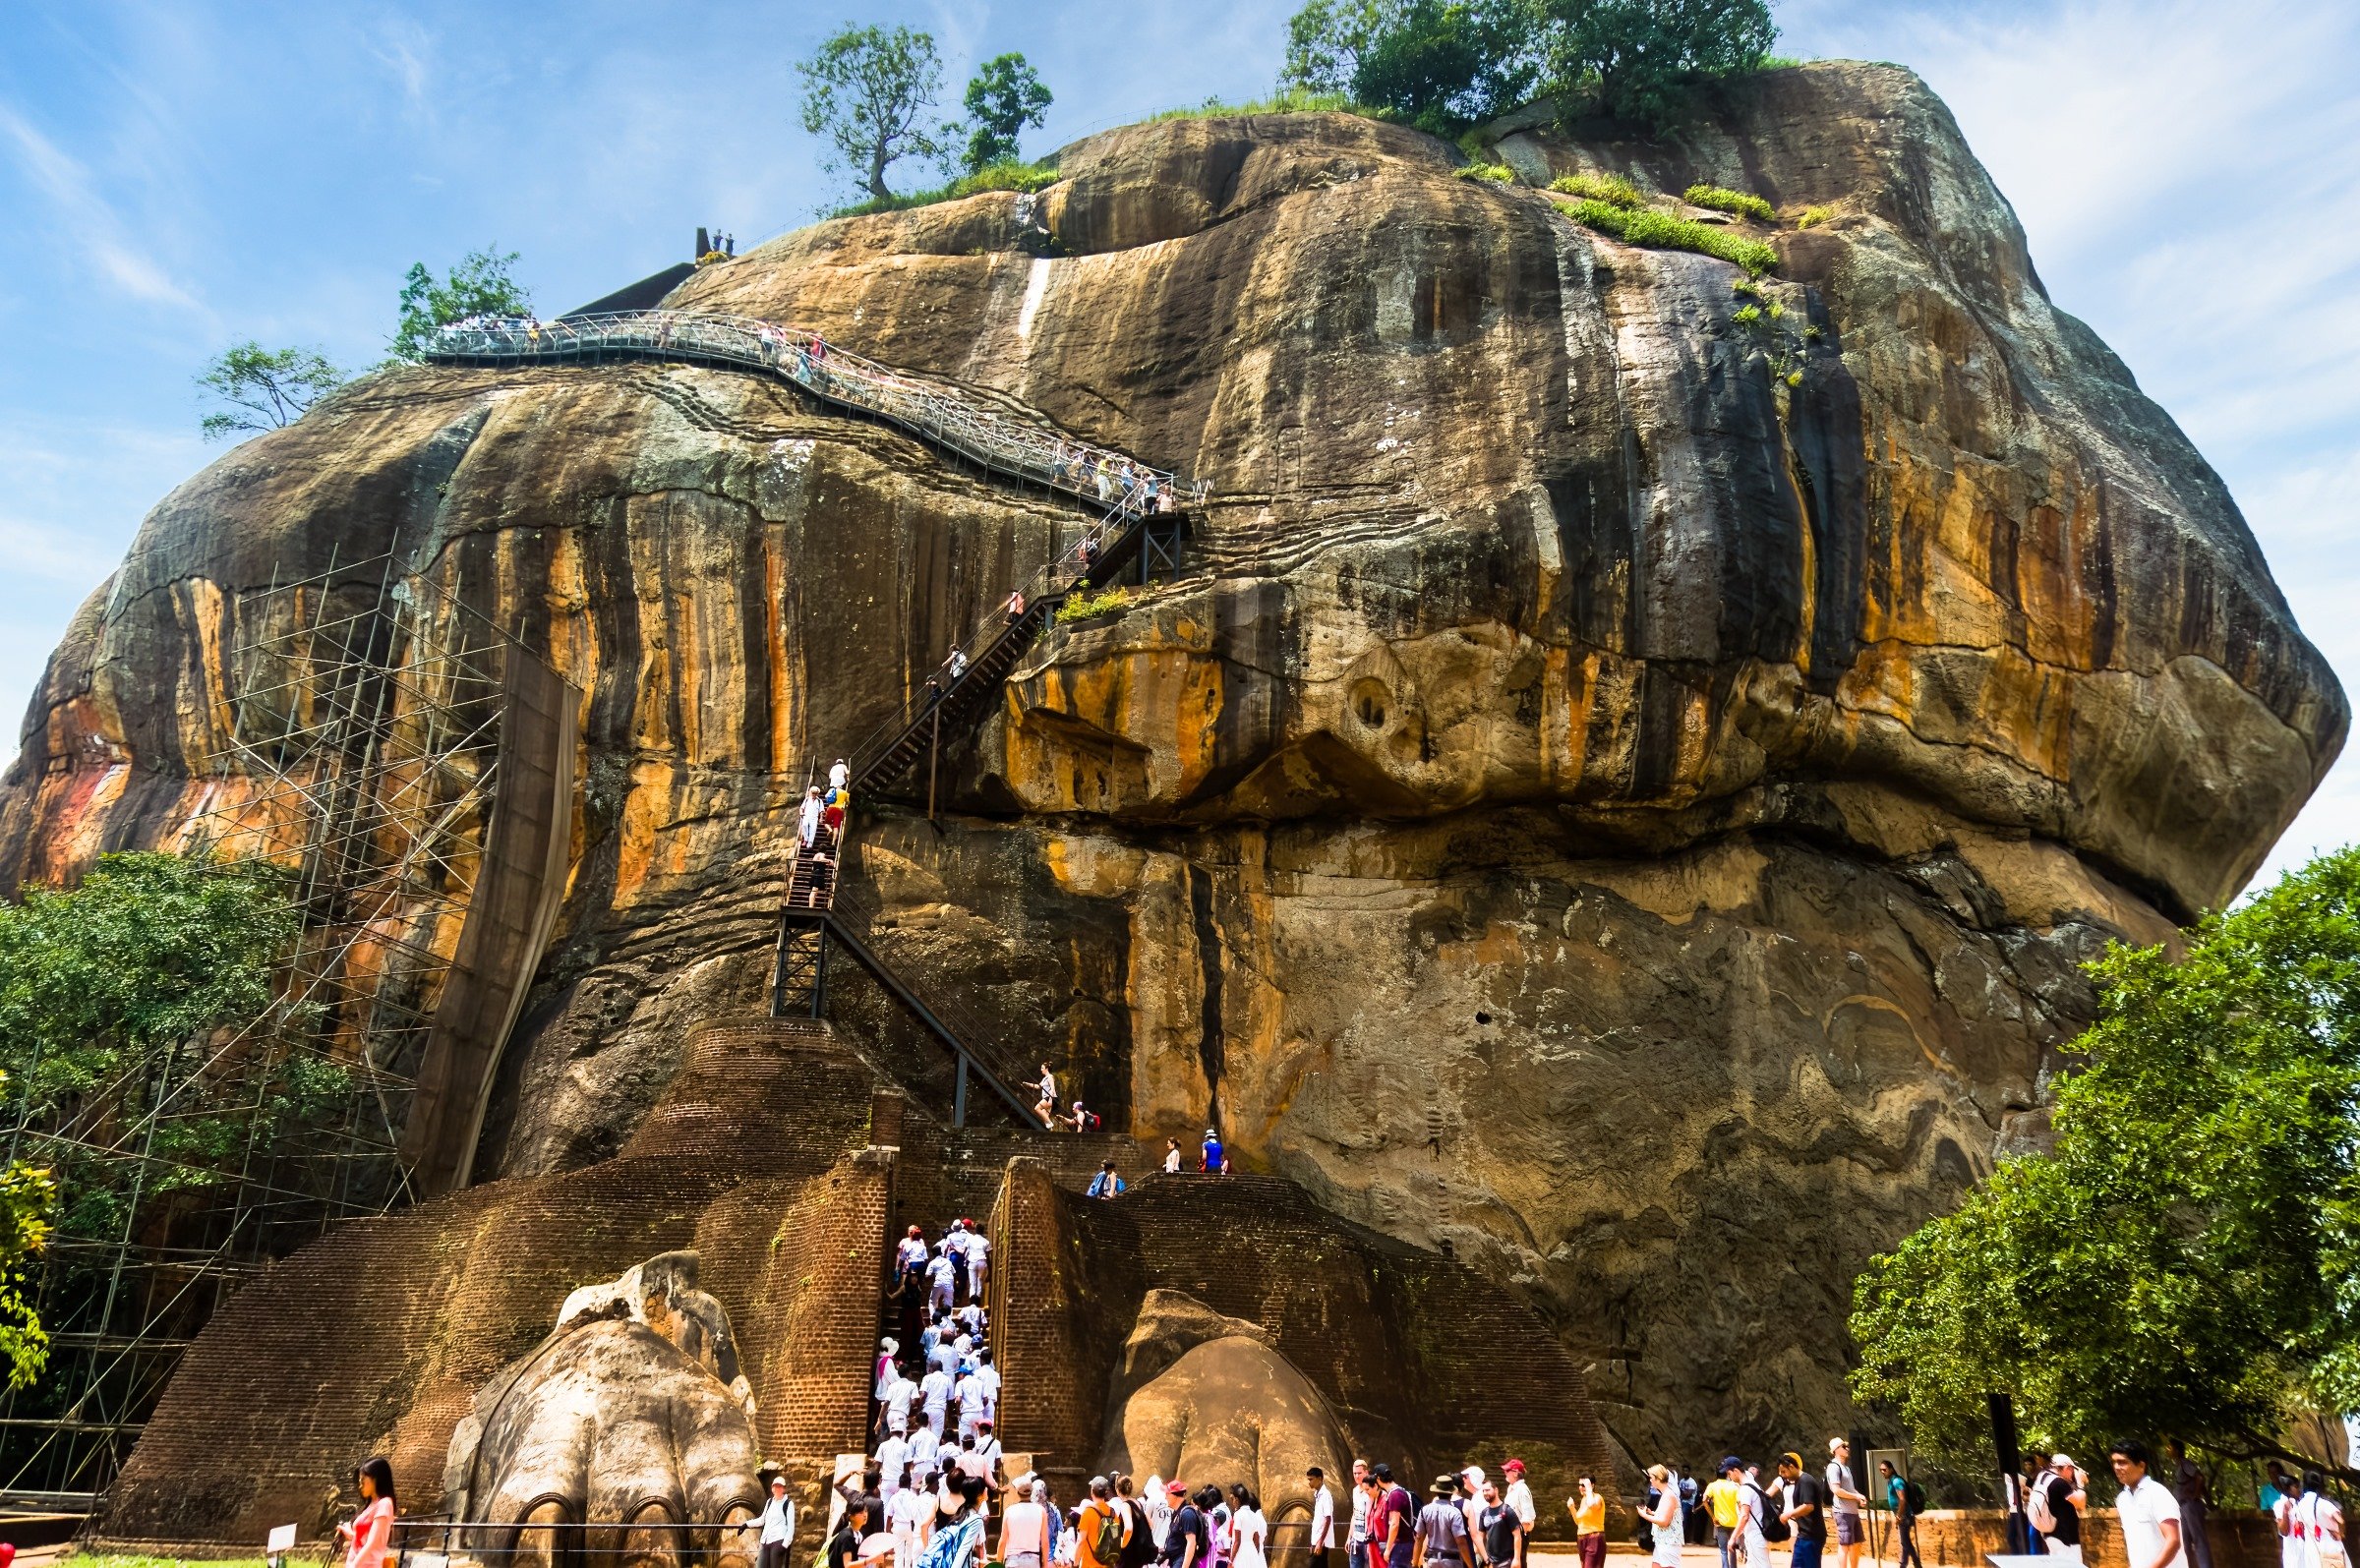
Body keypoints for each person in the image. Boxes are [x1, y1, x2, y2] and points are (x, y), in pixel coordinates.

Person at [2110, 1440, 2184, 1568]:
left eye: (2122, 1462)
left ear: (2141, 1466)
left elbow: (2173, 1541)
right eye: (2114, 1462)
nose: (2116, 1467)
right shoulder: (2122, 1499)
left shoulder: (2157, 1493)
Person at [339, 1456, 397, 1568]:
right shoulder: (370, 1505)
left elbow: (373, 1543)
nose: (360, 1486)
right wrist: (351, 1534)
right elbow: (365, 1539)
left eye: (362, 1481)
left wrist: (354, 1566)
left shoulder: (384, 1504)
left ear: (375, 1479)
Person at [1777, 1451, 1827, 1568]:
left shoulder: (1805, 1481)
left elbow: (1808, 1506)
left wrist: (1787, 1514)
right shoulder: (1800, 1481)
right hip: (1804, 1535)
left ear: (1792, 1467)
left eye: (1784, 1471)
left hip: (1811, 1535)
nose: (1782, 1475)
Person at [2036, 1456, 2086, 1568]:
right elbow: (2081, 1504)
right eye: (2072, 1470)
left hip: (2050, 1535)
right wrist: (2081, 1484)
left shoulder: (2043, 1478)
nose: (2073, 1473)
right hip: (2066, 1539)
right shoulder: (2058, 1482)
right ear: (2068, 1468)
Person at [2170, 1442, 2214, 1568]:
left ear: (2177, 1450)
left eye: (2171, 1448)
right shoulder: (2179, 1466)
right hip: (2184, 1508)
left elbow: (2200, 1478)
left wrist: (2195, 1495)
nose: (2168, 1450)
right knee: (2186, 1543)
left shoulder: (2185, 1464)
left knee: (2199, 1540)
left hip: (2191, 1506)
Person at [2290, 1470, 2346, 1568]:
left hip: (2311, 1548)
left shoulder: (2299, 1506)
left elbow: (2301, 1527)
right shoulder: (2323, 1504)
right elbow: (2341, 1521)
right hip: (2330, 1546)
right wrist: (2340, 1534)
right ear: (2320, 1485)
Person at [1414, 1475, 1473, 1568]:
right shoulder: (1454, 1512)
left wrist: (1415, 1563)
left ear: (1436, 1492)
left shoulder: (1425, 1510)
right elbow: (1461, 1541)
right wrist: (1471, 1566)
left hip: (1432, 1561)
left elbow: (1418, 1538)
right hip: (1451, 1562)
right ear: (1451, 1493)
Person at [1824, 1441, 1865, 1568]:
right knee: (1845, 1545)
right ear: (1835, 1449)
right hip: (1842, 1512)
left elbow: (1850, 1489)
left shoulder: (1846, 1468)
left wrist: (1859, 1496)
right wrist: (1856, 1496)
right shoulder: (1833, 1467)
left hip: (1852, 1511)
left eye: (1847, 1446)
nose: (1847, 1448)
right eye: (1844, 1446)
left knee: (1857, 1543)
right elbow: (1836, 1490)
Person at [1876, 1460, 1922, 1568]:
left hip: (1904, 1516)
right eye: (1880, 1470)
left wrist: (1898, 1516)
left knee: (1905, 1542)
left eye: (1884, 1469)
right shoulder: (1891, 1481)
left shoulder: (1896, 1481)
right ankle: (1903, 1565)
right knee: (1904, 1542)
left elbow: (1902, 1500)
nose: (1882, 1472)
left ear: (1891, 1469)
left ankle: (1916, 1563)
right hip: (1903, 1515)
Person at [1082, 1478, 1132, 1568]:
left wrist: (1075, 1563)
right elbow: (1116, 1538)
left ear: (1092, 1491)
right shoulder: (1113, 1514)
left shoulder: (1087, 1512)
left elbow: (1080, 1541)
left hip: (1089, 1564)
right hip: (1107, 1564)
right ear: (1106, 1493)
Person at [1476, 1478, 1524, 1568]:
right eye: (1483, 1491)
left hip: (1506, 1561)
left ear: (1496, 1490)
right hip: (1491, 1562)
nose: (1485, 1493)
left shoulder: (1507, 1510)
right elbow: (1479, 1538)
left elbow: (1517, 1535)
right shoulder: (1484, 1513)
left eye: (1487, 1490)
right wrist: (1486, 1559)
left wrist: (1517, 1559)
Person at [1707, 1459, 1746, 1568]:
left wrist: (1713, 1516)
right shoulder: (1734, 1486)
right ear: (1727, 1474)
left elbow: (1704, 1500)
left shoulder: (1712, 1485)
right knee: (1732, 1547)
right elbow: (1740, 1503)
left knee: (1723, 1550)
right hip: (1734, 1522)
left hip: (1720, 1522)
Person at [1642, 1465, 1682, 1568]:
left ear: (1658, 1478)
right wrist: (1652, 1513)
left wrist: (1644, 1516)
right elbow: (1667, 1514)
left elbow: (1664, 1522)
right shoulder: (1666, 1494)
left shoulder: (1669, 1495)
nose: (1650, 1480)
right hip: (1662, 1541)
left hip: (1669, 1542)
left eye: (1651, 1477)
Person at [1164, 1481, 1210, 1568]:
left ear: (1174, 1495)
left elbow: (1191, 1542)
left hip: (1182, 1561)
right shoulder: (1179, 1513)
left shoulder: (1187, 1514)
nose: (1165, 1497)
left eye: (1167, 1493)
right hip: (1175, 1561)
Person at [1565, 1477, 1607, 1568]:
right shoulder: (1584, 1500)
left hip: (1594, 1539)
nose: (1581, 1487)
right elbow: (1578, 1522)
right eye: (1580, 1485)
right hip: (1582, 1540)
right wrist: (1572, 1508)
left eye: (1583, 1485)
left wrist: (1589, 1489)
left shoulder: (1597, 1498)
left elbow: (1592, 1505)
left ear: (1592, 1485)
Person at [1734, 1464, 1770, 1568]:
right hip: (1752, 1532)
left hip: (1755, 1532)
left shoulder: (1746, 1487)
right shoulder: (1754, 1485)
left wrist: (1733, 1538)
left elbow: (1745, 1515)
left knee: (1761, 1564)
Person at [1228, 1485, 1268, 1568]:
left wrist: (1231, 1560)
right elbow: (1256, 1539)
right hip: (1252, 1550)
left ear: (1237, 1499)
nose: (1233, 1502)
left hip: (1241, 1552)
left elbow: (1237, 1541)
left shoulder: (1238, 1514)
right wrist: (1255, 1554)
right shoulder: (1253, 1515)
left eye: (1234, 1499)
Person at [1307, 1467, 1335, 1568]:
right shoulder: (1317, 1495)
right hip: (1317, 1540)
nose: (1309, 1482)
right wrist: (1313, 1542)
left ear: (1319, 1478)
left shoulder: (1326, 1495)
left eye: (1311, 1479)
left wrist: (1320, 1542)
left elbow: (1328, 1519)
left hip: (1321, 1542)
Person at [920, 1361, 954, 1437]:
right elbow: (950, 1399)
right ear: (941, 1368)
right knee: (936, 1438)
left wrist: (919, 1410)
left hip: (926, 1409)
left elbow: (922, 1395)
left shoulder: (927, 1378)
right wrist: (949, 1416)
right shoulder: (947, 1379)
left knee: (925, 1437)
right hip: (939, 1410)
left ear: (931, 1369)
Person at [1500, 1462, 1534, 1538]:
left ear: (1516, 1473)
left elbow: (1527, 1518)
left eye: (1507, 1471)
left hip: (1517, 1536)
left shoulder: (1522, 1490)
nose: (1505, 1473)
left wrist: (1519, 1537)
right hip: (1510, 1535)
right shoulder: (1512, 1488)